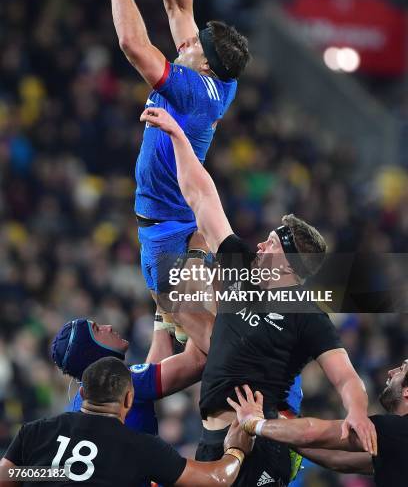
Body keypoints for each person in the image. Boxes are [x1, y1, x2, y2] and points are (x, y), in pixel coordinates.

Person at [138, 106, 377, 486]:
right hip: (212, 438)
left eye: (273, 242)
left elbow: (345, 376)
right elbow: (202, 197)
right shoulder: (243, 267)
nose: (262, 243)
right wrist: (179, 138)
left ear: (289, 264)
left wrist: (358, 412)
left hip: (258, 441)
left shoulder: (306, 313)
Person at [103, 0, 250, 342]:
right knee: (174, 336)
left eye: (196, 44)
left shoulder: (192, 91)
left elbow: (133, 44)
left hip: (164, 228)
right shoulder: (213, 73)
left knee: (194, 330)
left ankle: (249, 384)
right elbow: (178, 8)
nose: (186, 42)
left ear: (204, 64)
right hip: (183, 219)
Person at [0, 357, 253, 487]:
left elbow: (6, 477)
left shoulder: (35, 430)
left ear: (82, 394)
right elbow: (217, 479)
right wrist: (236, 450)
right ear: (129, 399)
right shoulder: (142, 448)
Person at [229, 360, 408, 487]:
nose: (391, 371)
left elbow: (311, 432)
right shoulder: (395, 444)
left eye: (401, 369)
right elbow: (339, 461)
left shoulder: (396, 429)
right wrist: (287, 436)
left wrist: (255, 423)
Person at [51, 318, 206, 436]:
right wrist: (192, 304)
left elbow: (152, 372)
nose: (108, 327)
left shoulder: (74, 408)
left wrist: (162, 311)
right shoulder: (122, 383)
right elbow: (197, 361)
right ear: (91, 351)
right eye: (97, 330)